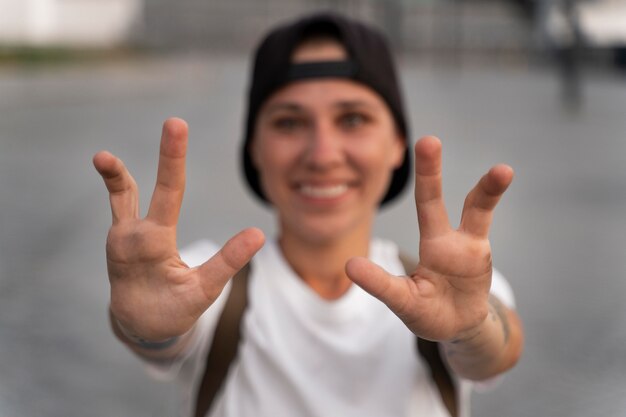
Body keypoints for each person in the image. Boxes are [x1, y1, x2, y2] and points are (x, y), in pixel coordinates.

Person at [93, 12, 523, 417]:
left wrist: (468, 330)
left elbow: (494, 349)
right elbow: (164, 332)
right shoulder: (208, 287)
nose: (321, 155)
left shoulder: (453, 288)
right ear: (254, 149)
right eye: (288, 122)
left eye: (353, 119)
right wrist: (146, 327)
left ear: (397, 143)